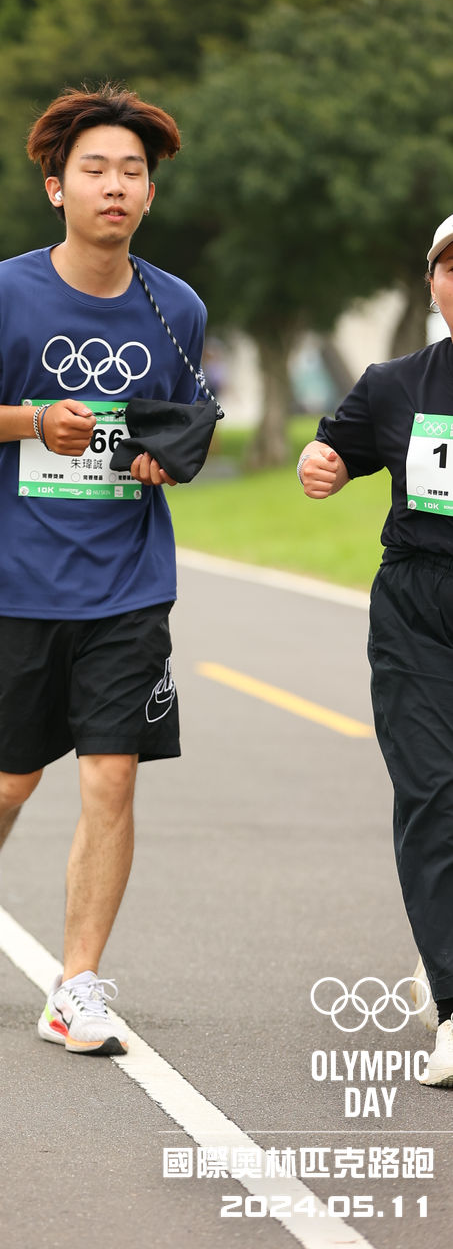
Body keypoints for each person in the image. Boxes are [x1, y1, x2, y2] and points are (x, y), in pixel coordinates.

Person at [0, 83, 207, 1056]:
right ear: (56, 187)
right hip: (12, 578)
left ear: (149, 194)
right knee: (9, 778)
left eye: (132, 171)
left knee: (111, 775)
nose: (115, 185)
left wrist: (161, 459)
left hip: (128, 581)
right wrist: (33, 420)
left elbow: (180, 423)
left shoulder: (176, 307)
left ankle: (74, 983)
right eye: (95, 169)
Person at [298, 213, 453, 1088]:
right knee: (433, 795)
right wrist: (317, 463)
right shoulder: (396, 384)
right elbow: (331, 449)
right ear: (431, 284)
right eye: (450, 268)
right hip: (418, 608)